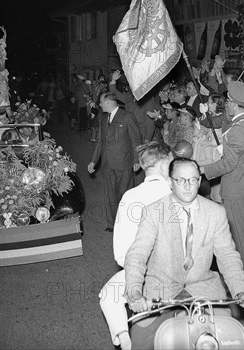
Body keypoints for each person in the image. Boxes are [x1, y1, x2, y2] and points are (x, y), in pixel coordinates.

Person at [124, 157, 244, 349]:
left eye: (193, 179)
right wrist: (135, 293)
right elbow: (136, 256)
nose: (188, 186)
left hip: (203, 288)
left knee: (228, 339)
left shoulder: (216, 212)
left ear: (199, 181)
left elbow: (227, 256)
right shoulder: (153, 212)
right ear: (169, 182)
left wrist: (241, 290)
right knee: (141, 341)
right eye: (181, 180)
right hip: (160, 289)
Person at [99, 141, 173, 350]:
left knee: (108, 296)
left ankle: (124, 340)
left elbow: (121, 253)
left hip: (141, 272)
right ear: (164, 164)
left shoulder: (130, 197)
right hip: (181, 270)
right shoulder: (178, 191)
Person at [200, 81, 244, 293]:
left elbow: (228, 163)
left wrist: (202, 171)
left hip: (237, 189)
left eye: (227, 102)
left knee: (240, 241)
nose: (225, 105)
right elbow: (227, 126)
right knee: (242, 239)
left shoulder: (238, 129)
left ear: (233, 105)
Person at [87, 92, 142, 231]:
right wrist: (93, 161)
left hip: (124, 163)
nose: (99, 105)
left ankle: (128, 223)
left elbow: (136, 140)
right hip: (107, 164)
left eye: (101, 102)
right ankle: (112, 224)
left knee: (124, 194)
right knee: (109, 195)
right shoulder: (104, 118)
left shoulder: (127, 116)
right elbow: (100, 141)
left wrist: (137, 160)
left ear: (109, 103)